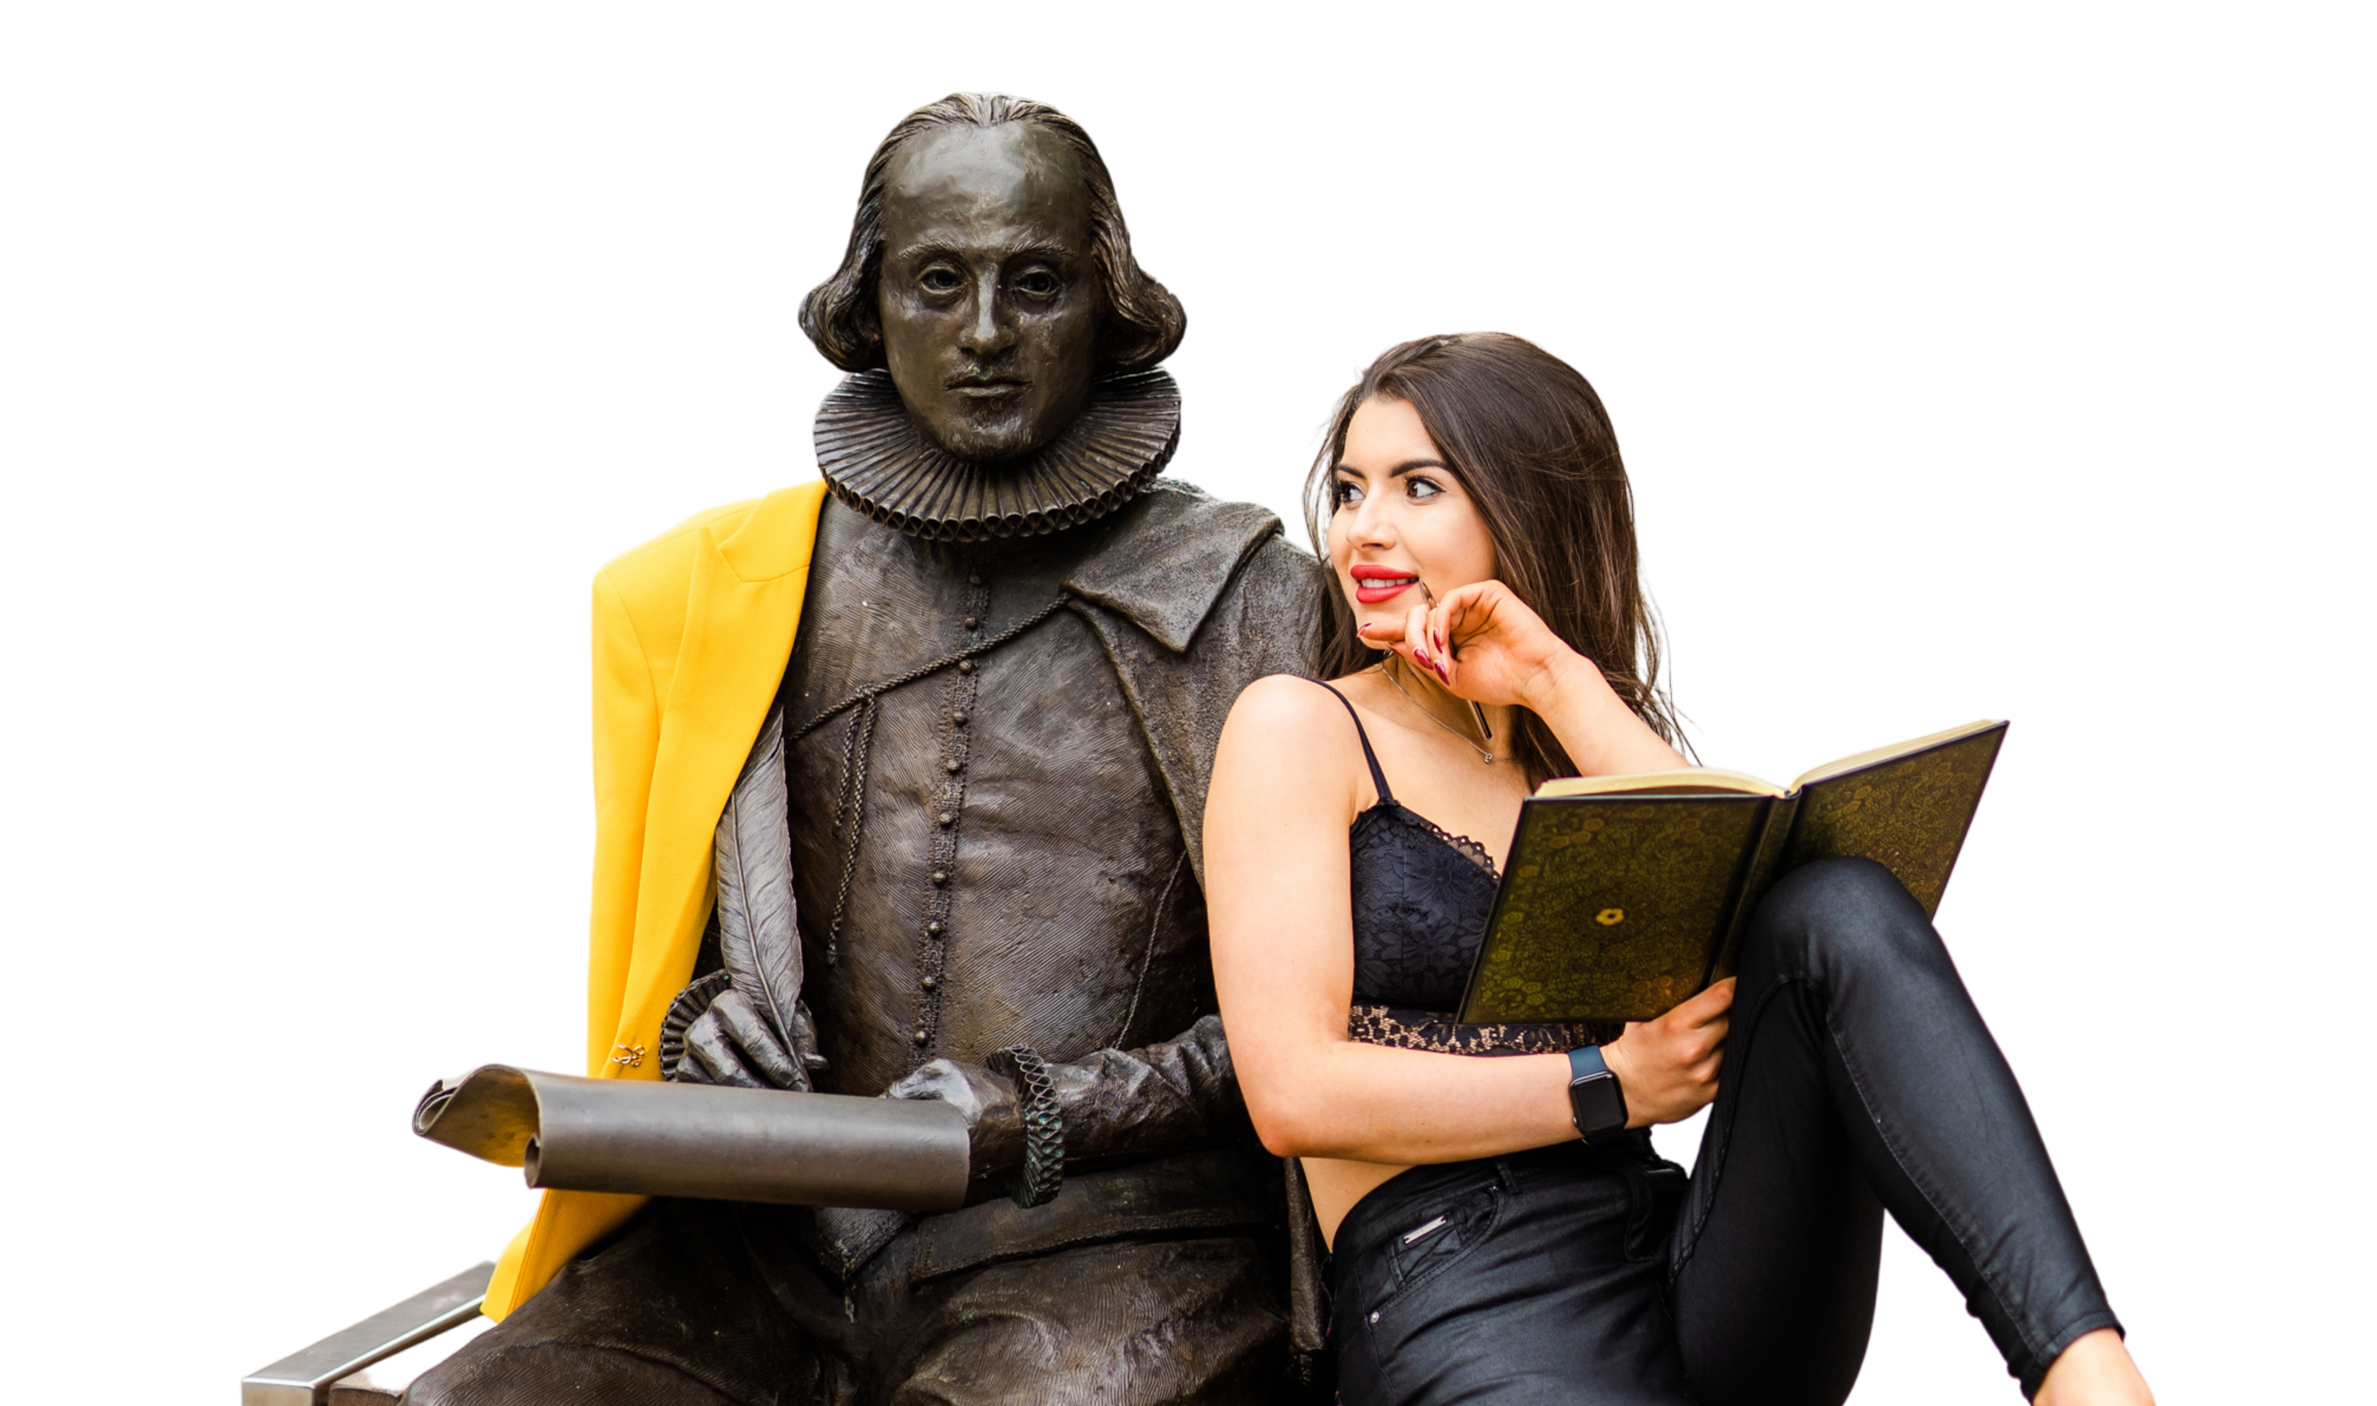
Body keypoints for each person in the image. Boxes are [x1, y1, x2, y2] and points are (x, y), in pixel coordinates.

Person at [415, 92, 1327, 1406]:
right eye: (938, 283)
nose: (987, 337)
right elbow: (707, 930)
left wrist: (1043, 1114)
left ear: (1116, 310)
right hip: (764, 1231)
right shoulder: (738, 580)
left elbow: (1316, 1011)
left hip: (1109, 1233)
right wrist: (703, 1024)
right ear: (868, 305)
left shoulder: (1253, 592)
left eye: (1038, 284)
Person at [1205, 330, 2164, 1405]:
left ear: (1522, 512)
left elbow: (1751, 911)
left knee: (1829, 899)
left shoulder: (1568, 734)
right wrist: (1606, 1085)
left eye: (1416, 486)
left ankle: (2086, 1372)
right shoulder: (1300, 725)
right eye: (1347, 488)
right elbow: (1291, 1090)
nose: (1360, 530)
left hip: (1682, 1259)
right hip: (1462, 1278)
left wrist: (1555, 678)